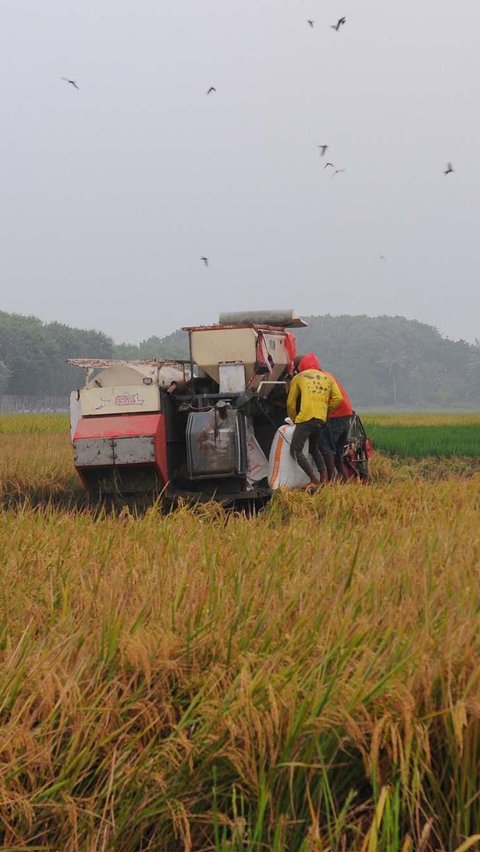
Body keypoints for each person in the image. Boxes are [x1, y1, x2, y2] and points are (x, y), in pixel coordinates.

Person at [286, 353, 343, 489]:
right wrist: (327, 412)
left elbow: (290, 403)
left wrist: (294, 418)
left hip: (305, 418)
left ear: (300, 367)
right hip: (320, 419)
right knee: (314, 448)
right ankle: (324, 478)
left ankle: (313, 479)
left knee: (295, 450)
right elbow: (338, 398)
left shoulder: (299, 377)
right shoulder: (327, 377)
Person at [318, 373, 354, 481]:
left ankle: (331, 479)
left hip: (335, 414)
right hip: (346, 413)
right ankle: (344, 478)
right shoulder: (327, 375)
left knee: (326, 447)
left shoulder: (311, 378)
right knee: (338, 451)